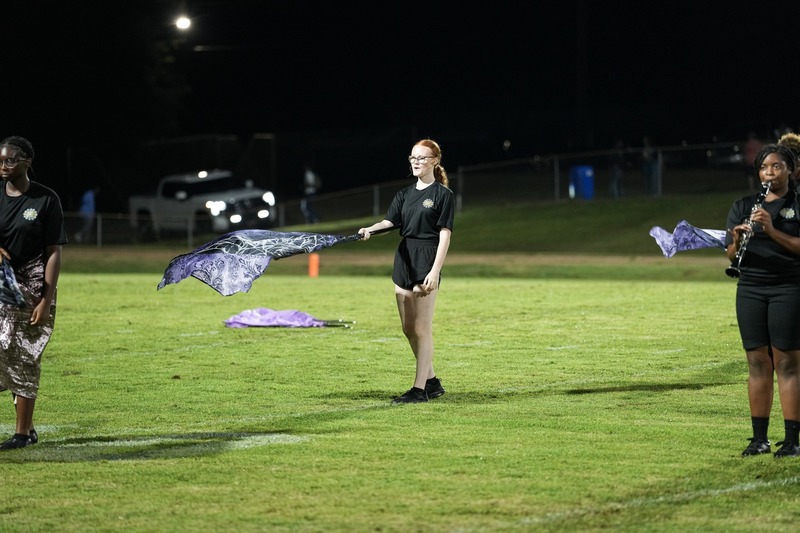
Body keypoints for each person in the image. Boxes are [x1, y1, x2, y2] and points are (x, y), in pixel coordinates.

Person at [358, 139, 454, 404]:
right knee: (408, 328)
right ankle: (432, 382)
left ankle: (419, 390)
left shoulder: (443, 195)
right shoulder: (404, 194)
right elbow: (390, 221)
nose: (415, 162)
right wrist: (370, 229)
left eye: (422, 158)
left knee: (422, 328)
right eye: (412, 157)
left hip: (426, 257)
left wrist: (435, 270)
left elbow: (445, 235)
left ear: (435, 161)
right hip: (404, 257)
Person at [726, 143, 800, 458]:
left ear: (791, 170)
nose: (769, 173)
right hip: (751, 288)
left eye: (776, 166)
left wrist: (770, 230)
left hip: (789, 288)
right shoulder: (743, 206)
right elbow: (730, 255)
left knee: (787, 363)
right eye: (764, 168)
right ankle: (759, 439)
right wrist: (737, 241)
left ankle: (793, 441)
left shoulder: (797, 203)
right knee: (757, 363)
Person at [0, 136, 66, 450]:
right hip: (2, 286)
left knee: (23, 353)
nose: (3, 165)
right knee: (4, 351)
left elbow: (53, 251)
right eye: (1, 159)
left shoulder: (46, 199)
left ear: (27, 161)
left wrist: (46, 299)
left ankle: (22, 434)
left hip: (32, 286)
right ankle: (27, 427)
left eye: (11, 160)